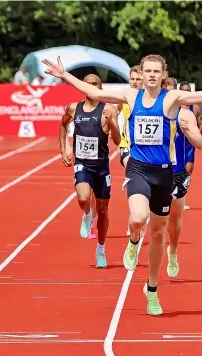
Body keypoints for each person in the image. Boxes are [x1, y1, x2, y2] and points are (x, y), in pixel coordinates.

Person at [42, 53, 202, 315]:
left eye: (156, 72)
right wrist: (64, 75)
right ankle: (133, 240)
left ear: (163, 75)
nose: (152, 75)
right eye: (148, 71)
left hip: (164, 173)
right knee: (138, 216)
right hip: (138, 168)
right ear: (142, 74)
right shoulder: (130, 97)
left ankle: (152, 290)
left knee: (158, 233)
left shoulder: (171, 99)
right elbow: (95, 93)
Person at [59, 74, 121, 268]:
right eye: (88, 84)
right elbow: (63, 125)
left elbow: (118, 140)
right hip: (82, 164)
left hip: (102, 167)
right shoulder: (73, 108)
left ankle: (101, 249)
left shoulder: (108, 109)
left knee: (103, 210)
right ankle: (87, 214)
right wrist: (64, 149)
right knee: (84, 197)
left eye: (95, 84)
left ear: (100, 87)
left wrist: (111, 123)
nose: (91, 86)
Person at [165, 78, 202, 278]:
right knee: (149, 218)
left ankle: (172, 250)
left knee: (174, 217)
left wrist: (191, 132)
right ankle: (135, 237)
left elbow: (200, 139)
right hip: (154, 171)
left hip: (179, 167)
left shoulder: (187, 113)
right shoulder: (150, 112)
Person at [118, 66, 149, 236]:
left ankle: (141, 213)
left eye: (138, 79)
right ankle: (135, 216)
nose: (135, 82)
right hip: (127, 147)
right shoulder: (125, 97)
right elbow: (112, 110)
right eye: (132, 79)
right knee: (133, 175)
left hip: (147, 150)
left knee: (148, 183)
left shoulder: (148, 99)